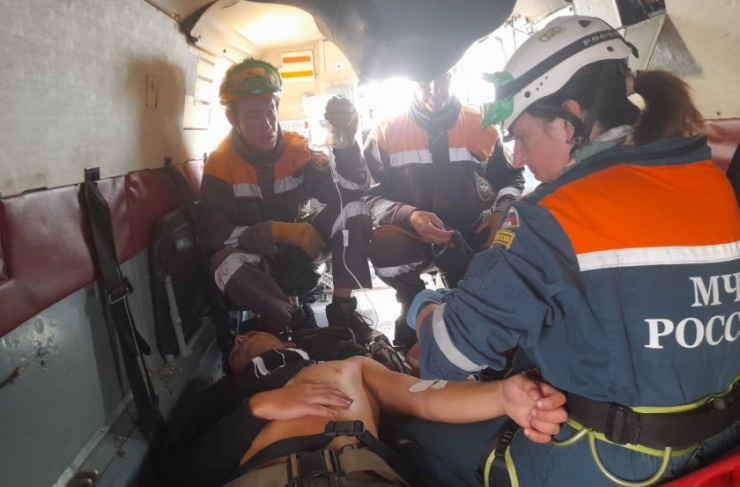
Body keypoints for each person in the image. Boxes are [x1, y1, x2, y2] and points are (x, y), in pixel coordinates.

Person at [404, 15, 740, 487]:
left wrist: (424, 304)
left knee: (414, 435)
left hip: (608, 464)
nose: (518, 158)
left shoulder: (554, 216)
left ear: (568, 122)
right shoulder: (712, 183)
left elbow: (445, 355)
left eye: (522, 137)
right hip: (721, 446)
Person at [160, 332, 567, 487]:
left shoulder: (350, 366)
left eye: (250, 334)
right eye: (234, 348)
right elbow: (179, 474)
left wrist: (500, 397)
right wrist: (255, 408)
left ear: (288, 342)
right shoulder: (225, 396)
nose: (239, 340)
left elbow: (420, 394)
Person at [201, 58, 385, 347]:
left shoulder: (297, 149)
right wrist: (275, 231)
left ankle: (343, 310)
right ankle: (298, 321)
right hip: (259, 261)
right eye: (253, 116)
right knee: (223, 263)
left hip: (305, 249)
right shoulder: (220, 165)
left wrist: (347, 142)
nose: (267, 125)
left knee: (356, 209)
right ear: (232, 118)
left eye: (271, 111)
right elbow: (216, 235)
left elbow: (350, 190)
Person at [362, 69, 525, 350]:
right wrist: (410, 216)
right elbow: (370, 197)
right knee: (383, 248)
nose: (434, 89)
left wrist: (501, 212)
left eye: (441, 78)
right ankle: (412, 301)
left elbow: (512, 178)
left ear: (452, 77)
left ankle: (468, 297)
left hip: (473, 234)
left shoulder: (483, 126)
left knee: (480, 314)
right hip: (414, 237)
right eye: (424, 81)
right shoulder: (386, 132)